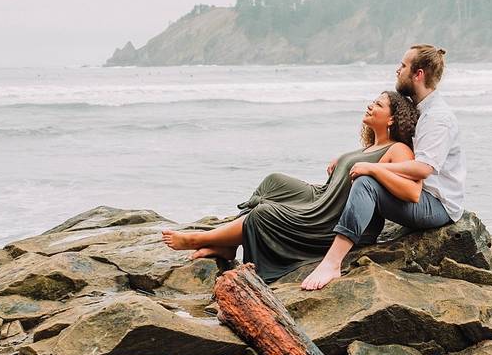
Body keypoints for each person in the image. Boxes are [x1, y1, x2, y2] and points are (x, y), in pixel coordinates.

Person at [161, 90, 421, 283]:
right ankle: (230, 243)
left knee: (266, 213)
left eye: (378, 104)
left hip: (331, 219)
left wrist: (371, 167)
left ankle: (201, 238)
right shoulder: (369, 147)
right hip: (323, 198)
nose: (370, 105)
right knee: (274, 183)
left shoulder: (398, 149)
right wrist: (343, 164)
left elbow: (411, 192)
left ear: (391, 119)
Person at [300, 44, 466, 290]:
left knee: (367, 182)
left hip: (437, 206)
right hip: (415, 192)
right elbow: (389, 145)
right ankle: (349, 235)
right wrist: (352, 158)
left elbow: (423, 169)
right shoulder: (420, 108)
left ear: (418, 74)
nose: (397, 70)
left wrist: (373, 168)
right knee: (364, 174)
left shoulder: (437, 118)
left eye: (403, 66)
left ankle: (332, 263)